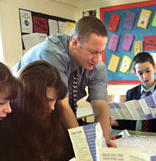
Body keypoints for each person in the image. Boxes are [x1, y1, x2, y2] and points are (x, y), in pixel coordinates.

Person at [13, 16, 115, 147]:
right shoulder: (52, 53)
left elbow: (101, 107)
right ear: (75, 43)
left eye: (101, 52)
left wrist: (104, 144)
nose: (97, 59)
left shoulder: (97, 67)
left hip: (51, 116)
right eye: (93, 52)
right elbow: (61, 104)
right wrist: (83, 147)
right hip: (20, 116)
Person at [0, 60, 79, 161]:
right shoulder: (6, 122)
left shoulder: (53, 114)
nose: (52, 107)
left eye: (55, 100)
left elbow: (65, 153)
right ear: (28, 97)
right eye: (48, 100)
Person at [111, 52, 156, 133]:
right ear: (134, 72)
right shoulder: (131, 93)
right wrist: (114, 122)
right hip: (135, 137)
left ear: (154, 67)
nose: (145, 76)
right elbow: (128, 122)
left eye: (148, 71)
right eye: (140, 73)